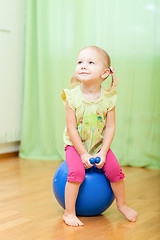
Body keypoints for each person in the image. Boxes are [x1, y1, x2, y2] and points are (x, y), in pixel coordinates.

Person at [61, 46, 137, 227]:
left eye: (90, 62)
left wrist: (103, 152)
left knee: (115, 172)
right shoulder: (71, 97)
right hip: (74, 145)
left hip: (98, 145)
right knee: (76, 172)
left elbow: (110, 127)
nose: (83, 66)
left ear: (104, 73)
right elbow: (71, 129)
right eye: (80, 62)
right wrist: (83, 154)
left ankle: (122, 205)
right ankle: (69, 212)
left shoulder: (109, 98)